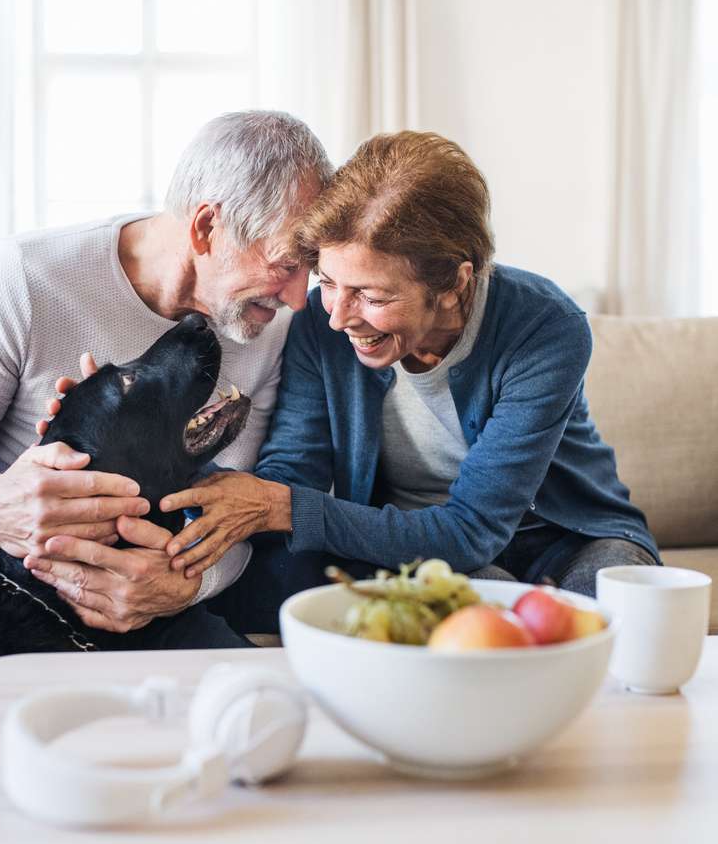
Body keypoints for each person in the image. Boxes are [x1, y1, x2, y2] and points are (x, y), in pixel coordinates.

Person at [148, 130, 659, 631]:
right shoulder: (318, 325)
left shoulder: (545, 327)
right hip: (408, 547)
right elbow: (292, 473)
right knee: (469, 620)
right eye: (328, 281)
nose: (338, 317)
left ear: (455, 283)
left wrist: (282, 506)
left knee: (622, 612)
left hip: (570, 537)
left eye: (372, 296)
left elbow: (472, 530)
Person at [0, 110, 332, 646]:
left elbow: (231, 517)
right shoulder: (20, 280)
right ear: (207, 227)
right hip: (13, 595)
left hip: (164, 601)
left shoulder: (269, 324)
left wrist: (185, 585)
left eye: (312, 266)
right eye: (285, 264)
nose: (299, 298)